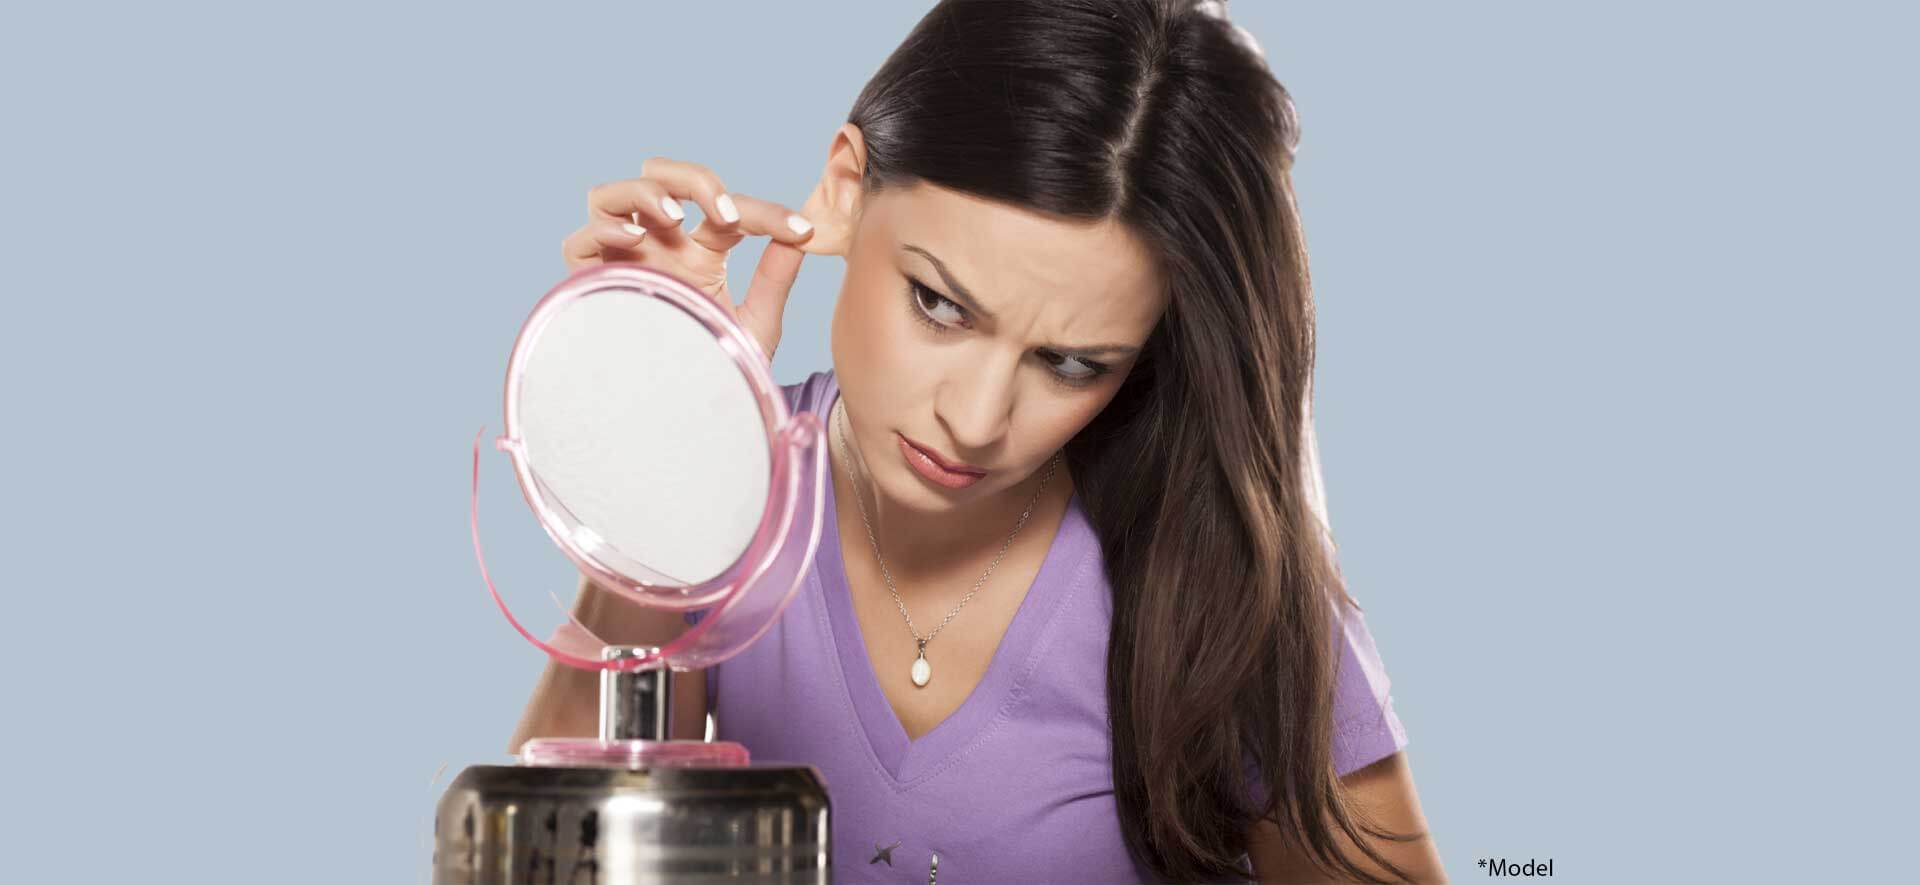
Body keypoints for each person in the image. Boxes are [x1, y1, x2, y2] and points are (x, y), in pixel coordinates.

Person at [512, 1, 1444, 881]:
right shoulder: (715, 509)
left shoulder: (1223, 587)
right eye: (939, 305)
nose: (977, 418)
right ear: (844, 189)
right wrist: (672, 419)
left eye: (1073, 364)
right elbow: (550, 857)